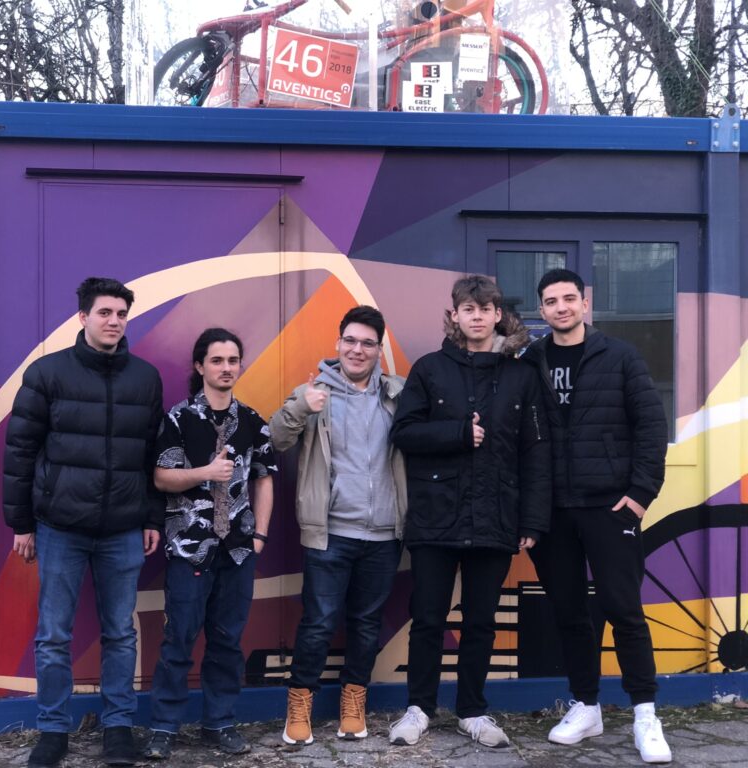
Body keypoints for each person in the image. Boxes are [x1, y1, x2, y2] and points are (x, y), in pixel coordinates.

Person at [2, 277, 163, 768]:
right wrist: (22, 523)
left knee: (120, 633)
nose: (114, 321)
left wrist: (151, 515)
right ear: (83, 317)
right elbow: (20, 452)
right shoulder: (47, 373)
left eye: (121, 314)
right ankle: (53, 730)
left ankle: (118, 728)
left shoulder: (145, 378)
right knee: (54, 635)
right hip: (60, 528)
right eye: (104, 313)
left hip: (123, 529)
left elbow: (152, 455)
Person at [388, 275, 550, 749]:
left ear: (498, 314)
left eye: (485, 309)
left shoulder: (522, 375)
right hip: (435, 515)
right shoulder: (429, 369)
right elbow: (404, 433)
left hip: (497, 515)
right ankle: (418, 708)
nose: (477, 317)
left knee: (481, 621)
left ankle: (472, 711)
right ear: (454, 315)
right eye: (468, 309)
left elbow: (535, 452)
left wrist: (532, 519)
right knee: (428, 617)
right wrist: (456, 433)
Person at [523, 268, 671, 764]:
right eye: (551, 301)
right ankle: (586, 706)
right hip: (553, 511)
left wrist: (641, 493)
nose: (561, 307)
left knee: (623, 609)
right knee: (569, 613)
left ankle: (645, 714)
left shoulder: (620, 355)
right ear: (541, 310)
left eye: (569, 298)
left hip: (610, 506)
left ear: (585, 303)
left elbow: (651, 426)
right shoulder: (531, 360)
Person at [269, 305, 408, 745]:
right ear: (338, 343)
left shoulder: (398, 394)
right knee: (318, 623)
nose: (357, 350)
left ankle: (353, 702)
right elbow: (276, 439)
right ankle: (299, 705)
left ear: (379, 350)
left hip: (384, 534)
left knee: (366, 624)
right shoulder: (313, 393)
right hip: (329, 533)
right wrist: (301, 407)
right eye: (350, 340)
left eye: (368, 343)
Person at [143, 328, 277, 760]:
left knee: (227, 641)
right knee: (178, 639)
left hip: (238, 549)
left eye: (233, 360)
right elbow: (161, 477)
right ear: (200, 366)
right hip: (190, 548)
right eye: (217, 360)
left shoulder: (253, 421)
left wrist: (260, 535)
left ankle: (219, 723)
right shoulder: (178, 419)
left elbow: (265, 479)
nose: (226, 368)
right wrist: (205, 472)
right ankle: (163, 727)